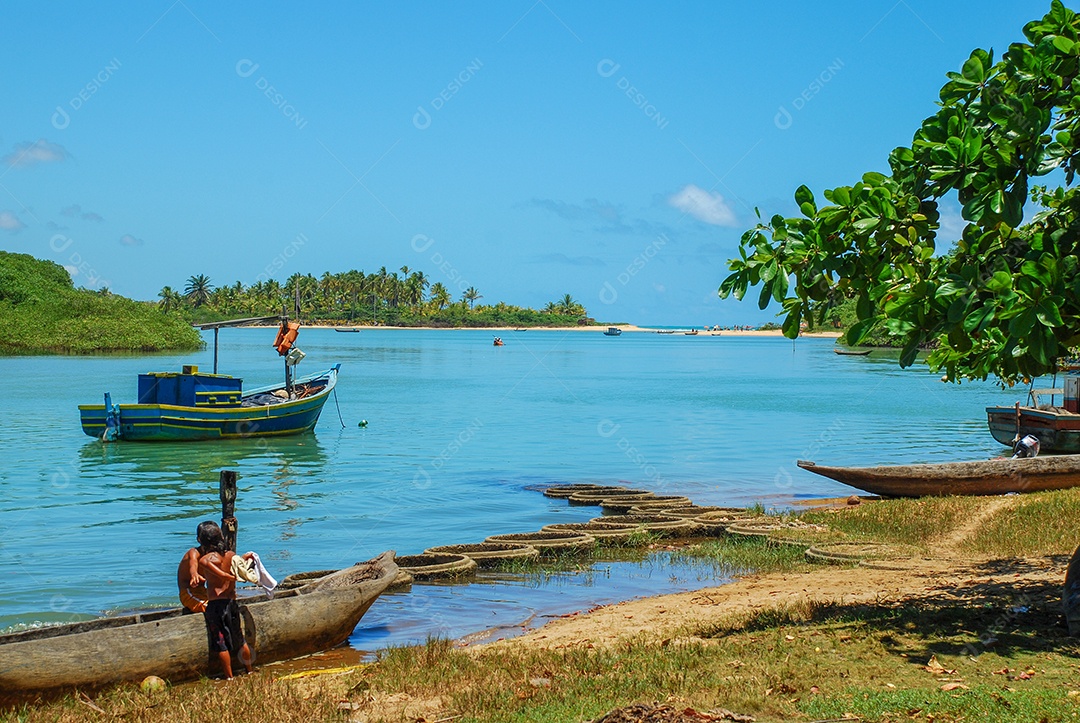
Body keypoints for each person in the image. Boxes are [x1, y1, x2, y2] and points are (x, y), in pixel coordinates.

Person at [195, 521, 255, 678]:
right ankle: (249, 671)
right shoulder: (231, 556)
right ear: (221, 536)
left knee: (221, 643)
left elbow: (219, 571)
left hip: (216, 606)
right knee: (240, 639)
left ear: (200, 541)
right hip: (231, 602)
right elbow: (231, 568)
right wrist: (244, 559)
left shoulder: (204, 560)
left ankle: (229, 677)